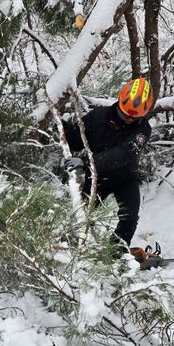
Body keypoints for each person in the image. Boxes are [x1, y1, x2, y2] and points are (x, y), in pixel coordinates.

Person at [62, 77, 153, 249]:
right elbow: (76, 142)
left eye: (134, 117)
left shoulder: (143, 129)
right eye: (126, 114)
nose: (129, 119)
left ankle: (116, 254)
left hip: (125, 178)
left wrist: (85, 162)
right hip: (97, 178)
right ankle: (72, 250)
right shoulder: (97, 117)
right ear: (120, 102)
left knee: (130, 216)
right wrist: (63, 127)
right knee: (81, 217)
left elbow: (123, 154)